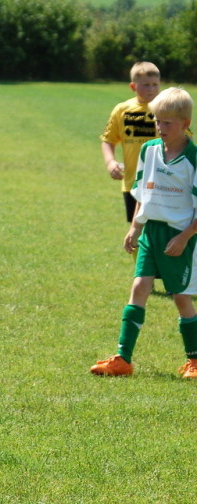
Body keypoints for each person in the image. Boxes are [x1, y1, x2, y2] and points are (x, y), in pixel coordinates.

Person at [91, 87, 197, 379]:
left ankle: (195, 361)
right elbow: (142, 192)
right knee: (139, 286)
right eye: (157, 121)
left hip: (180, 236)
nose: (160, 127)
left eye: (167, 123)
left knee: (181, 297)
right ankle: (122, 359)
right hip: (151, 231)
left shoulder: (193, 158)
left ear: (185, 123)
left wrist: (185, 236)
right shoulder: (149, 150)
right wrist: (135, 226)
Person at [100, 62, 160, 227]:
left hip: (162, 184)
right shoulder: (122, 110)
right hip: (132, 183)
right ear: (133, 86)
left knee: (159, 231)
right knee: (136, 231)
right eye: (146, 85)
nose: (151, 89)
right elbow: (108, 140)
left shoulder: (167, 108)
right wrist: (110, 162)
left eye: (155, 84)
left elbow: (185, 140)